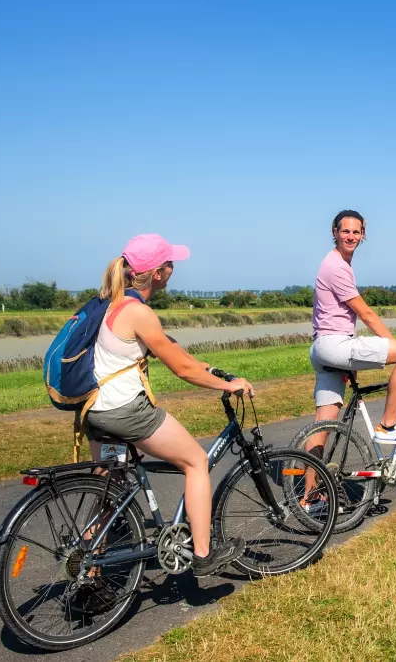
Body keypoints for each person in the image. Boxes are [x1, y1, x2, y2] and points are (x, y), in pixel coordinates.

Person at [85, 234, 253, 577]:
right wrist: (227, 384)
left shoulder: (111, 304)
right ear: (158, 273)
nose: (174, 269)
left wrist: (206, 368)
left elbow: (172, 350)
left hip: (94, 412)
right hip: (126, 412)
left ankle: (87, 567)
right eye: (170, 264)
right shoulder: (138, 312)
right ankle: (204, 555)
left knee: (110, 487)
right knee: (195, 462)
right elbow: (180, 369)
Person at [306, 210, 396, 461]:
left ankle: (307, 498)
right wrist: (394, 344)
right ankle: (390, 424)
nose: (350, 236)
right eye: (345, 231)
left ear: (362, 235)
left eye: (355, 232)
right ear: (334, 232)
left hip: (323, 347)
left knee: (323, 425)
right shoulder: (336, 266)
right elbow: (366, 314)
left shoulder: (335, 262)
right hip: (335, 345)